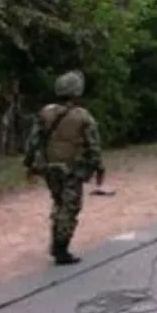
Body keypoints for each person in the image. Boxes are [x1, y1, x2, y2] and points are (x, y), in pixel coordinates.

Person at [23, 70, 104, 265]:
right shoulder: (83, 116)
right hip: (72, 169)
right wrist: (98, 166)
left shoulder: (45, 113)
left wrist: (29, 164)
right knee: (70, 206)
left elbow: (33, 141)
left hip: (49, 168)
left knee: (59, 202)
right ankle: (61, 249)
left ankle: (57, 243)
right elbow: (93, 145)